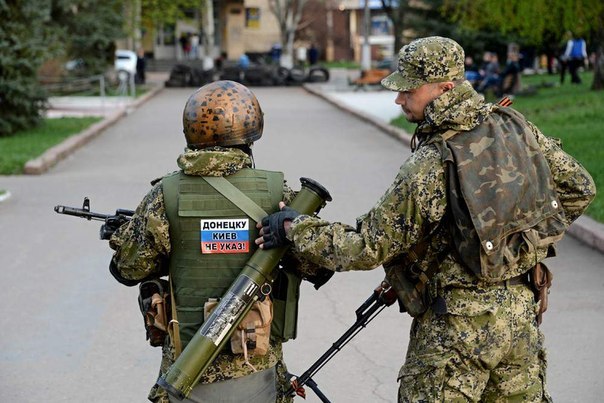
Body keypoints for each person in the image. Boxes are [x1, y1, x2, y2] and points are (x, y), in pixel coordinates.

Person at [256, 36, 596, 401]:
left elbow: (366, 245)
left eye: (409, 90)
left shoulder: (433, 161)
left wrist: (294, 228)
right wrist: (523, 245)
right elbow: (580, 188)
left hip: (455, 336)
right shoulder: (513, 126)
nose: (398, 99)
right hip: (520, 321)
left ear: (444, 88)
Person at [109, 80, 332, 403]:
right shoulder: (277, 194)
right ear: (252, 130)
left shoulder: (164, 196)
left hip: (187, 371)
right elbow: (317, 267)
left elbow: (128, 269)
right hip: (258, 372)